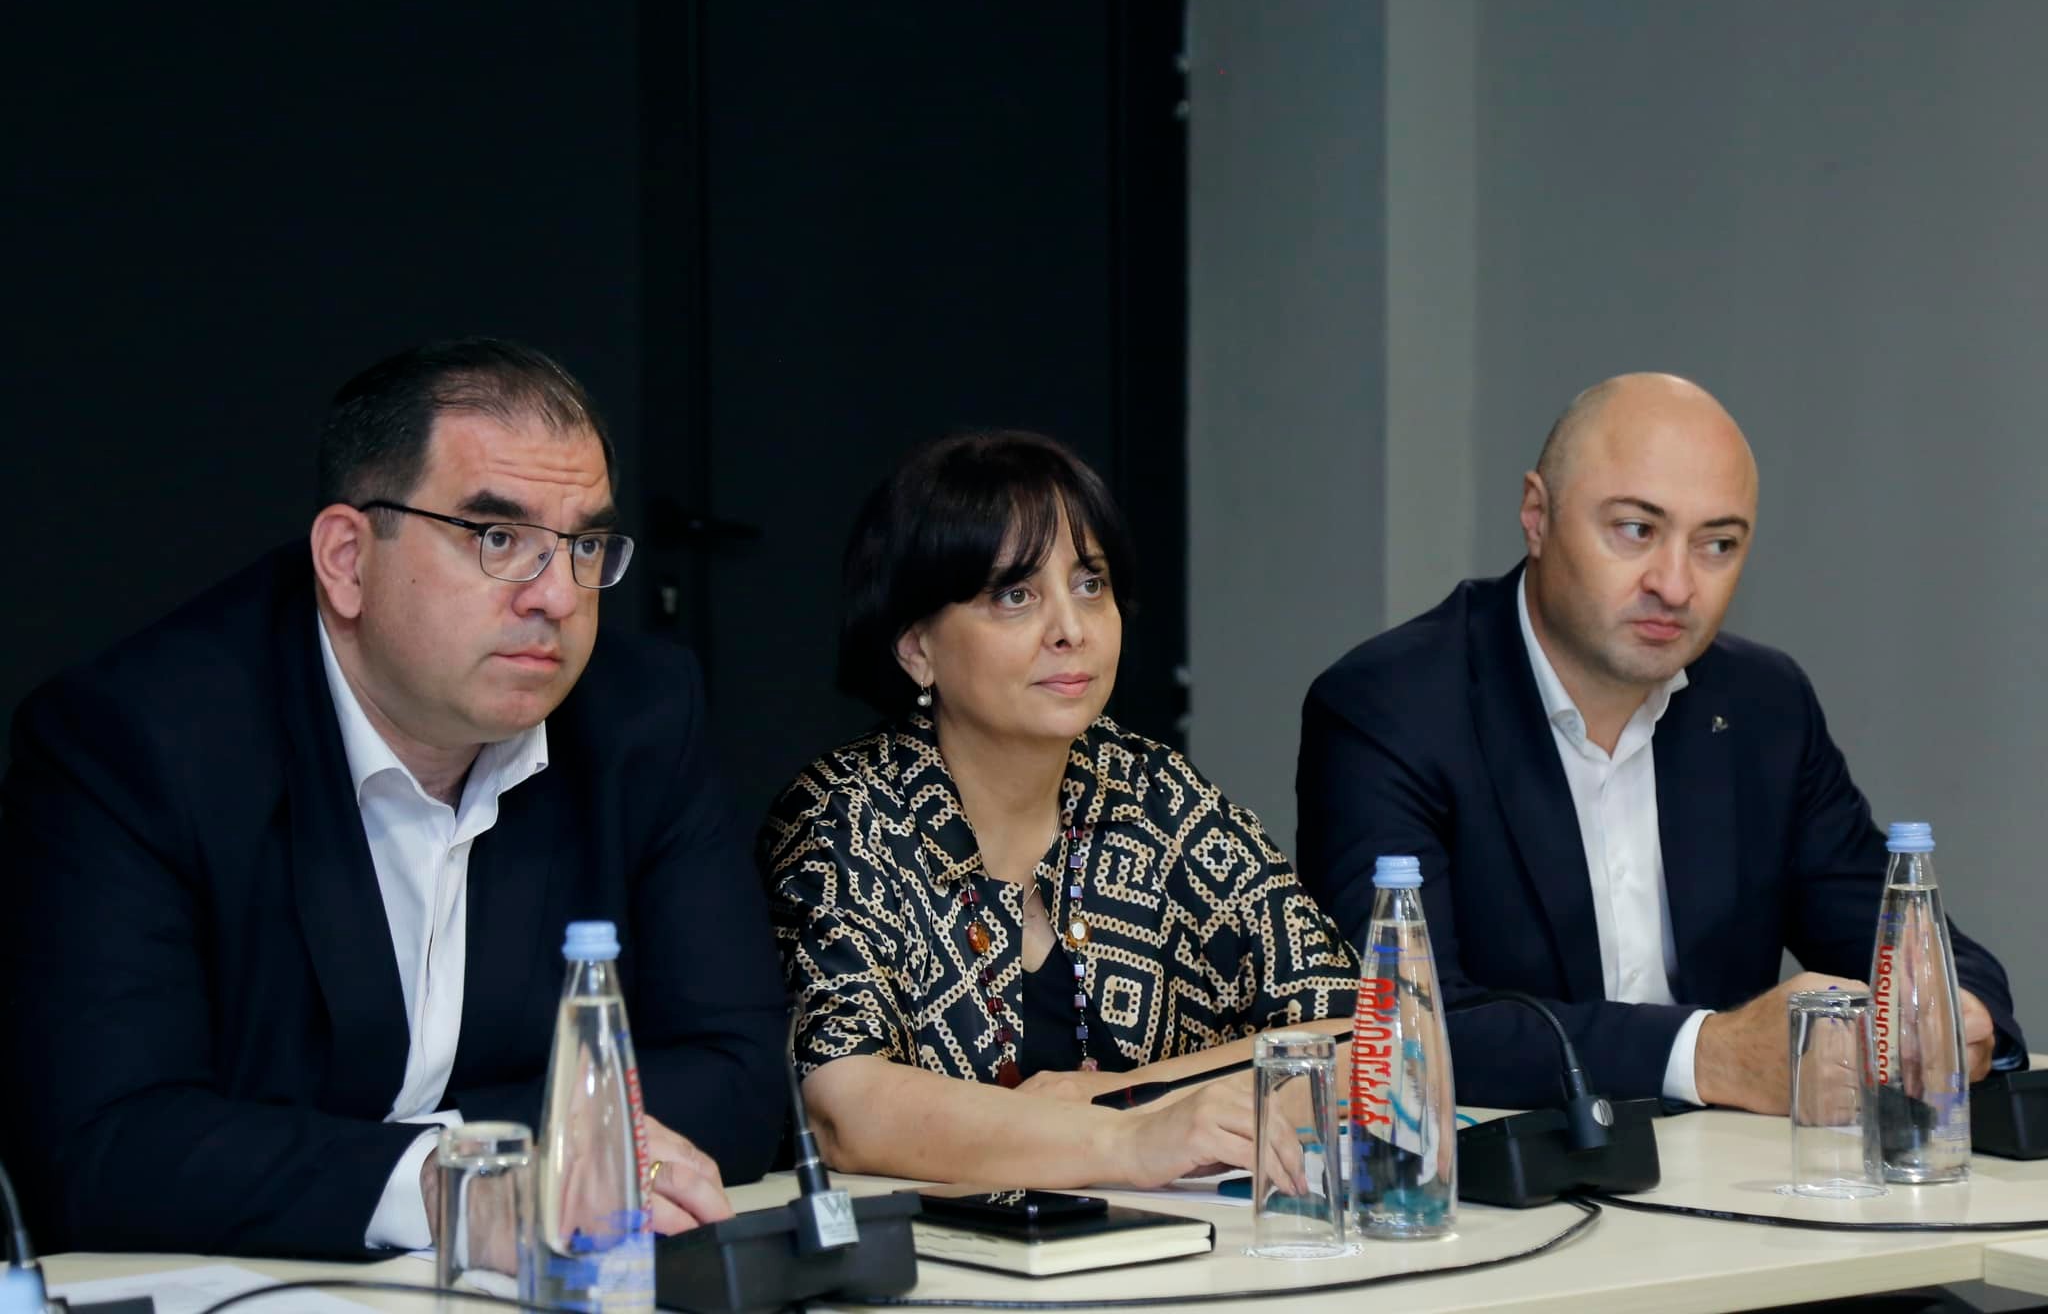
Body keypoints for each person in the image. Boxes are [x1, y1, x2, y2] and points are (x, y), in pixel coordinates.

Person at [0, 338, 787, 1259]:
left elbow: (738, 1079)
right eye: (498, 539)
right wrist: (454, 1180)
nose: (557, 597)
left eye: (583, 546)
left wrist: (472, 1158)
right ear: (346, 558)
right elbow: (106, 1145)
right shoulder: (140, 742)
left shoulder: (637, 718)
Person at [1297, 373, 2026, 1112]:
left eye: (1717, 544)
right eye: (1637, 530)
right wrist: (1708, 1056)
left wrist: (1956, 1014)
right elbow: (1397, 1027)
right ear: (1537, 516)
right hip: (1505, 1169)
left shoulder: (1764, 705)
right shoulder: (1391, 707)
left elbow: (1899, 936)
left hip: (1730, 1166)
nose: (1675, 586)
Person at [760, 431, 1358, 1187]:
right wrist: (1128, 1141)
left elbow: (1378, 1040)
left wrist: (1119, 1098)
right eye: (1015, 595)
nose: (1071, 629)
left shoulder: (1152, 794)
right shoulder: (844, 819)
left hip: (1171, 1244)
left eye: (1090, 584)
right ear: (917, 649)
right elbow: (844, 1107)